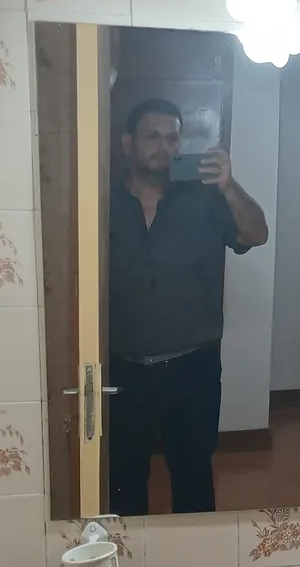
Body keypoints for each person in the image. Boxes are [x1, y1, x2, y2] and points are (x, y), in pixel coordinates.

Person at [107, 98, 268, 514]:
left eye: (172, 138)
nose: (164, 146)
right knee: (123, 477)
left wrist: (228, 186)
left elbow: (256, 234)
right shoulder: (102, 202)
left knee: (193, 472)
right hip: (121, 369)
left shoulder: (204, 199)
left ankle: (197, 553)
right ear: (127, 143)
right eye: (153, 136)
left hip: (192, 367)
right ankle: (129, 553)